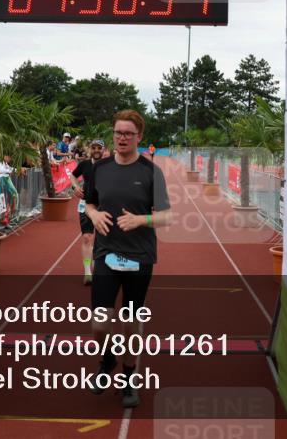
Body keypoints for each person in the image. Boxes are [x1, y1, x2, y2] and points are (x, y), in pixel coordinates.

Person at [84, 110, 172, 409]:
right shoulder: (100, 168)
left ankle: (129, 377)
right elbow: (89, 202)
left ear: (139, 138)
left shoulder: (151, 172)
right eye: (118, 133)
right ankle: (108, 358)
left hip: (139, 256)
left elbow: (166, 216)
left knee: (131, 323)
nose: (122, 138)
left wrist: (141, 220)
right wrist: (94, 215)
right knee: (99, 324)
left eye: (128, 134)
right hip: (106, 254)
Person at [72, 140, 105, 285]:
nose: (96, 150)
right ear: (90, 149)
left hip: (104, 206)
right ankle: (87, 271)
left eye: (99, 148)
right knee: (86, 237)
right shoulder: (84, 164)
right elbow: (73, 176)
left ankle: (100, 268)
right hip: (85, 205)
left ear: (103, 150)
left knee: (102, 239)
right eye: (94, 147)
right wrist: (75, 187)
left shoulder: (109, 165)